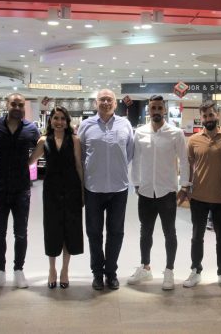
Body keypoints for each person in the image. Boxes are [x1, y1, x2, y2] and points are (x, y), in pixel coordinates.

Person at [128, 95, 190, 290]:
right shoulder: (140, 132)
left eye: (159, 108)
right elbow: (136, 160)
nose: (156, 111)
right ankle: (145, 267)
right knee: (145, 231)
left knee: (169, 232)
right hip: (146, 191)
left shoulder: (176, 133)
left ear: (165, 110)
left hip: (167, 191)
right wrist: (136, 183)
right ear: (149, 110)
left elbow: (184, 160)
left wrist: (185, 185)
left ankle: (169, 270)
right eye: (153, 107)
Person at [77, 89, 134, 290]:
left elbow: (129, 153)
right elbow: (80, 155)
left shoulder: (125, 124)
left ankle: (111, 272)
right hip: (93, 188)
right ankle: (97, 273)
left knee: (116, 232)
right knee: (94, 233)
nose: (106, 102)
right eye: (102, 99)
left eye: (110, 99)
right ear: (96, 103)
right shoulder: (86, 125)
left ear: (115, 103)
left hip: (119, 188)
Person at [0, 93, 40, 289]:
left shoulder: (31, 128)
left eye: (20, 105)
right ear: (7, 105)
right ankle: (0, 271)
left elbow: (40, 147)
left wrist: (29, 161)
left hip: (21, 189)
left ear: (24, 106)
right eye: (13, 104)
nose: (17, 107)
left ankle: (18, 270)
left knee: (21, 232)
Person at [181, 100, 221, 290]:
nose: (208, 118)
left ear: (217, 115)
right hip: (198, 198)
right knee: (197, 237)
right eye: (204, 116)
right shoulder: (193, 140)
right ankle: (196, 271)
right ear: (201, 118)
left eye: (211, 114)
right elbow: (188, 167)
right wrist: (186, 189)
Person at [29, 106, 84, 289]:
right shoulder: (44, 140)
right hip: (51, 190)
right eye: (56, 118)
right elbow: (30, 161)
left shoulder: (74, 140)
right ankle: (52, 268)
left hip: (71, 189)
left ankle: (65, 269)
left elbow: (78, 166)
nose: (59, 122)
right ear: (50, 121)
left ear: (67, 122)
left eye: (62, 119)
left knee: (70, 229)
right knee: (52, 229)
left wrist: (82, 191)